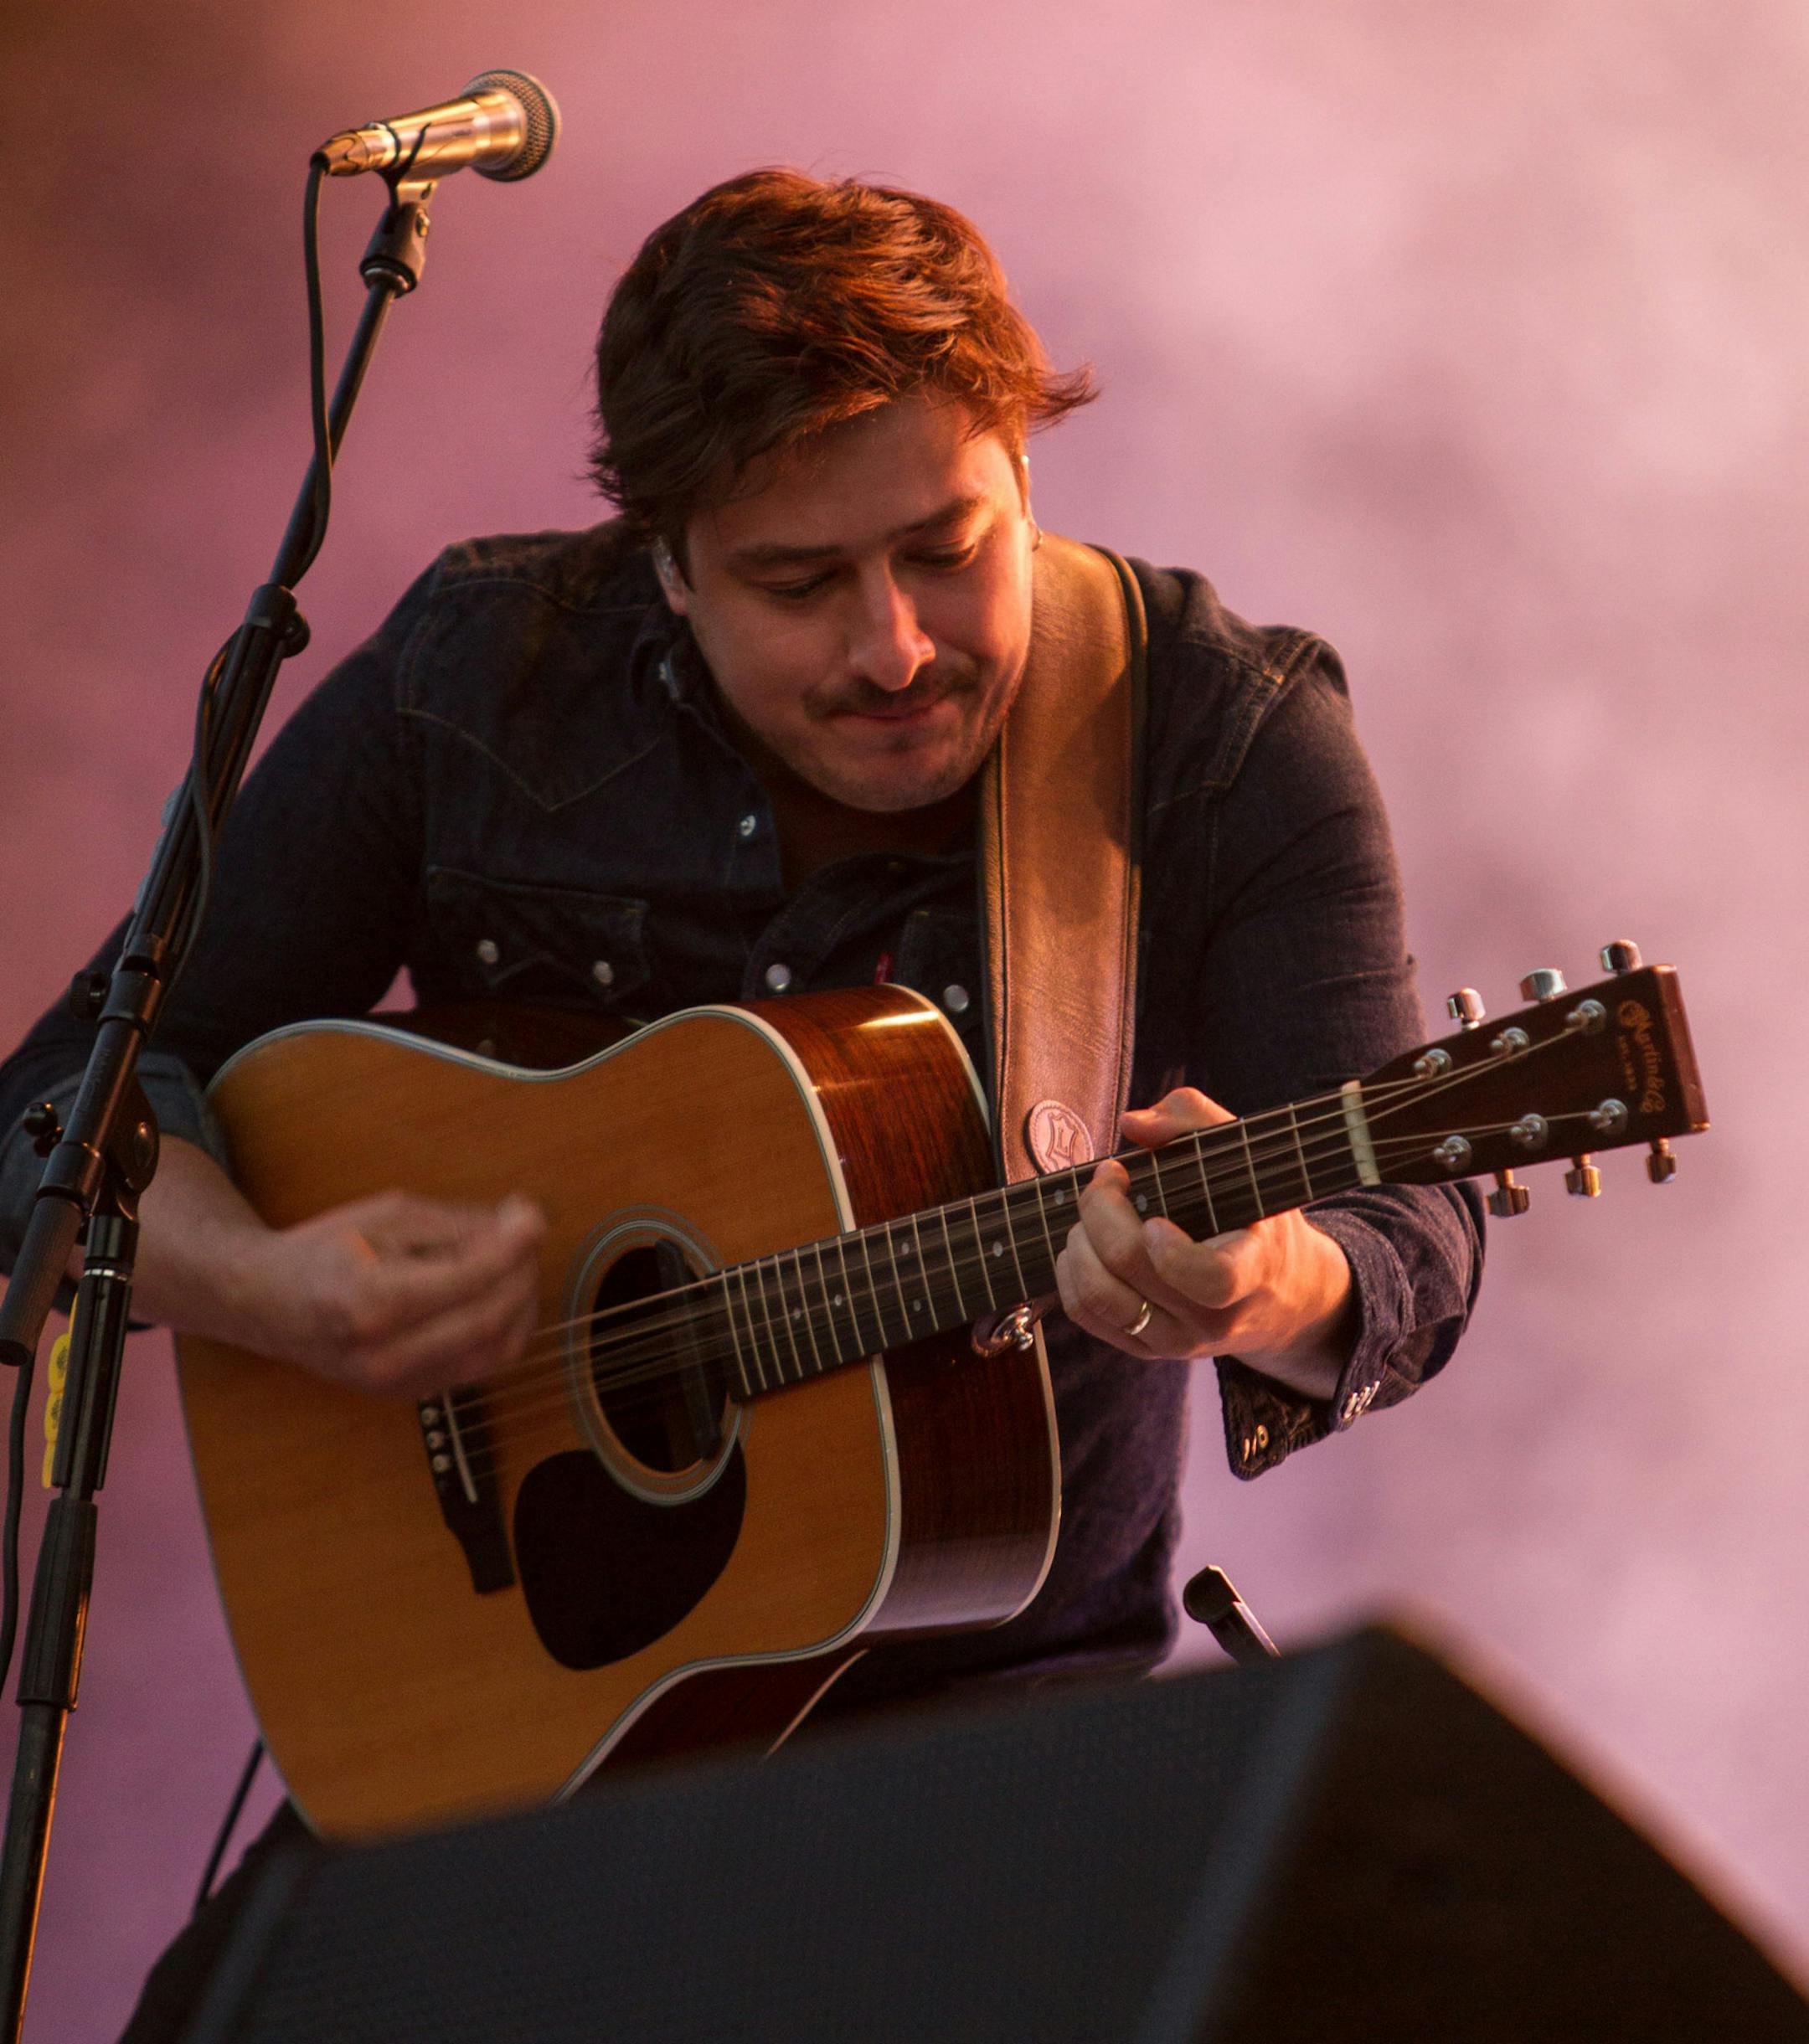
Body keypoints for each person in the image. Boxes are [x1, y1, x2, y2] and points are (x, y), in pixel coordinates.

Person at [0, 168, 1483, 2034]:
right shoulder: (483, 680)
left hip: (996, 1750)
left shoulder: (1215, 734)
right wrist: (270, 1287)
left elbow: (1415, 1227)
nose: (894, 648)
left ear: (1025, 470)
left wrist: (1264, 1281)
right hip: (521, 1725)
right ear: (664, 559)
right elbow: (65, 1103)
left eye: (951, 547)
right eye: (798, 584)